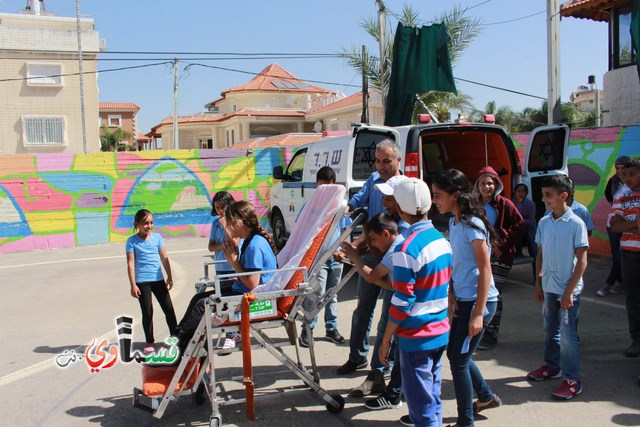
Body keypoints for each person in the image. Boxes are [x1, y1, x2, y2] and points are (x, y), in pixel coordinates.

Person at [378, 177, 452, 427]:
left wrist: (387, 337)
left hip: (415, 338)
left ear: (399, 209)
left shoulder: (405, 250)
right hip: (440, 331)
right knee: (432, 396)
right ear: (429, 205)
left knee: (420, 406)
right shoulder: (442, 241)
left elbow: (401, 301)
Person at [432, 169, 501, 426]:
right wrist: (451, 291)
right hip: (464, 299)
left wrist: (479, 313)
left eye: (438, 195)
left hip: (480, 303)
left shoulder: (474, 225)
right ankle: (485, 396)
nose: (435, 200)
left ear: (455, 195)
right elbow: (458, 262)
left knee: (458, 360)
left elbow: (485, 269)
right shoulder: (454, 222)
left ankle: (465, 422)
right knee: (458, 355)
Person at [175, 201, 278, 352]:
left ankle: (181, 349)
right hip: (243, 291)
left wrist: (233, 261)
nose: (227, 226)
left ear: (239, 223)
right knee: (198, 298)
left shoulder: (255, 246)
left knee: (201, 306)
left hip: (252, 298)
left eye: (229, 222)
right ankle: (177, 339)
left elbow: (253, 284)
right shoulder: (251, 239)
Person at [337, 138, 402, 375]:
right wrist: (345, 208)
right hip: (374, 254)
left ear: (398, 160)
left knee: (389, 314)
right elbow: (356, 203)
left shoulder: (404, 186)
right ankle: (357, 357)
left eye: (386, 161)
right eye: (377, 161)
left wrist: (357, 249)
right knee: (363, 307)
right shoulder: (374, 180)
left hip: (394, 257)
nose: (381, 166)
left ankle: (382, 367)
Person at [527, 174, 588, 401]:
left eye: (548, 195)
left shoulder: (576, 223)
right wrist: (538, 283)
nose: (544, 199)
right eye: (543, 195)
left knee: (568, 335)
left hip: (568, 291)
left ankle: (573, 380)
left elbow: (582, 261)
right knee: (549, 328)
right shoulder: (544, 222)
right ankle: (552, 366)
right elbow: (540, 255)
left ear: (564, 196)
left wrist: (569, 291)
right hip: (550, 287)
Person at [340, 213, 404, 403]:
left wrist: (354, 256)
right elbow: (388, 284)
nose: (373, 245)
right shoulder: (395, 246)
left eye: (374, 240)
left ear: (386, 233)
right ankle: (393, 389)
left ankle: (394, 394)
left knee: (396, 344)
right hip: (404, 304)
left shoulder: (396, 250)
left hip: (407, 308)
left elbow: (372, 276)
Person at [472, 166, 525, 350]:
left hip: (500, 256)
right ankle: (481, 331)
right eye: (483, 183)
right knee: (481, 293)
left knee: (493, 294)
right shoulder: (474, 205)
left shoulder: (505, 204)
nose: (486, 187)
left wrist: (502, 243)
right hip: (480, 255)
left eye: (490, 183)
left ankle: (491, 333)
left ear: (496, 185)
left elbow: (520, 225)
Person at [298, 166, 349, 348]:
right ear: (317, 185)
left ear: (335, 185)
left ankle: (331, 328)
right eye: (322, 186)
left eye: (329, 186)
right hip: (318, 259)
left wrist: (343, 250)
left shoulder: (339, 207)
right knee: (316, 294)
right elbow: (302, 231)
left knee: (332, 294)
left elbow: (344, 229)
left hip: (336, 258)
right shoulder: (311, 206)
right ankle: (308, 329)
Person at [126, 209, 178, 353]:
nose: (149, 226)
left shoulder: (157, 238)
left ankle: (176, 338)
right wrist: (133, 285)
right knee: (147, 312)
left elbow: (164, 257)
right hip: (142, 282)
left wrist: (169, 276)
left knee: (169, 309)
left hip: (158, 280)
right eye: (145, 223)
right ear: (137, 224)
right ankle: (149, 341)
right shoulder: (132, 241)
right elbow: (130, 263)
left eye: (151, 223)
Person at [609, 157, 640, 358]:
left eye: (632, 174)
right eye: (625, 175)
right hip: (629, 254)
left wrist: (626, 223)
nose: (627, 178)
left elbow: (622, 223)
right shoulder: (623, 197)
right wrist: (636, 224)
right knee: (633, 298)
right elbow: (615, 225)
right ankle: (637, 339)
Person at [598, 155, 630, 297]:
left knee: (619, 255)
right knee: (616, 255)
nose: (620, 171)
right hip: (612, 224)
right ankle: (622, 282)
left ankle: (607, 284)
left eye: (623, 168)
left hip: (627, 225)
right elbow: (609, 196)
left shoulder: (634, 183)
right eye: (617, 168)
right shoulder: (613, 182)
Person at [208, 191, 236, 292]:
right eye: (217, 208)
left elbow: (234, 242)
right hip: (221, 266)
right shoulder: (215, 224)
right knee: (222, 295)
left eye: (223, 207)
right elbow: (211, 247)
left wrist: (225, 226)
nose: (221, 210)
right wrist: (222, 245)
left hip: (234, 267)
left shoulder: (235, 222)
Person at [512, 183, 537, 261]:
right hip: (518, 227)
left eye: (523, 191)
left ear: (526, 193)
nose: (520, 193)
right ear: (515, 192)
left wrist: (519, 221)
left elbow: (531, 220)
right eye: (518, 191)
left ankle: (536, 265)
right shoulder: (511, 203)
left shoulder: (531, 204)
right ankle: (518, 254)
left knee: (532, 245)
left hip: (529, 227)